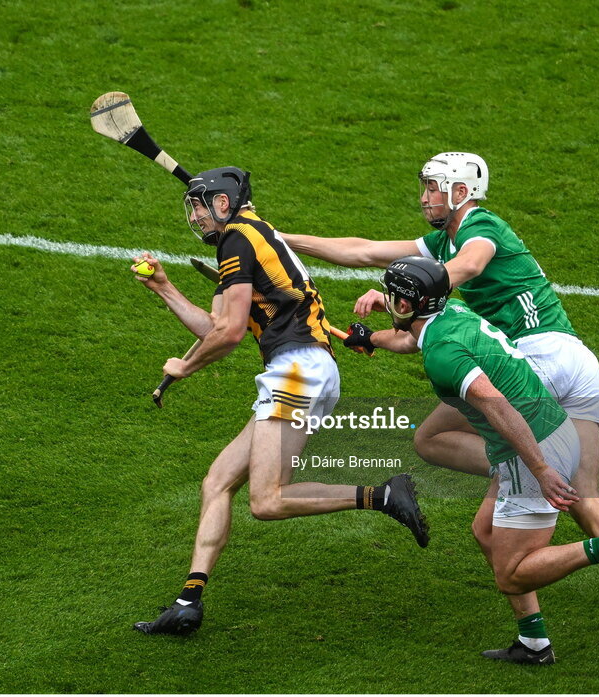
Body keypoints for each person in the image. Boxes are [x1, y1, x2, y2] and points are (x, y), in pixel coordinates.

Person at [280, 153, 599, 634]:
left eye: (433, 188)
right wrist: (281, 240)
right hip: (577, 361)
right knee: (580, 492)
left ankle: (523, 477)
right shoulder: (441, 240)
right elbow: (362, 250)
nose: (423, 197)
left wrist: (408, 293)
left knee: (433, 439)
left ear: (461, 193)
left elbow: (468, 265)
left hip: (535, 364)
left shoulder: (478, 228)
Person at [130, 167, 429, 636]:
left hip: (296, 371)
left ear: (223, 205)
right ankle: (188, 601)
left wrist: (184, 368)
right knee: (217, 481)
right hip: (303, 370)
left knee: (266, 501)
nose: (194, 216)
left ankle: (382, 495)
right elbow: (216, 326)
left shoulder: (239, 240)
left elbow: (228, 336)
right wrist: (165, 287)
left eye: (199, 205)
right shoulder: (248, 243)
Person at [371, 255, 599, 664]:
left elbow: (498, 409)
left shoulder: (441, 353)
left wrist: (541, 470)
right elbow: (408, 339)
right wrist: (367, 339)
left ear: (407, 305)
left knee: (511, 571)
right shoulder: (452, 311)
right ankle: (533, 643)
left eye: (392, 297)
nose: (387, 301)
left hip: (530, 450)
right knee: (486, 533)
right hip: (548, 430)